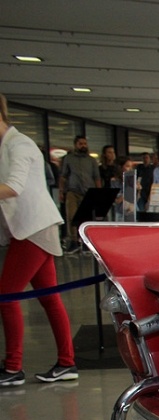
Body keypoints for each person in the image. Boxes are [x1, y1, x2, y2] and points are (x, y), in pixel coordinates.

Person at [0, 93, 78, 386]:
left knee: (6, 296)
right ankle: (67, 363)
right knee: (49, 298)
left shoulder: (19, 144)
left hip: (33, 229)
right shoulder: (6, 146)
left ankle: (13, 368)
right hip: (32, 228)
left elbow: (13, 187)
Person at [58, 135, 100, 249]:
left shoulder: (91, 160)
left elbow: (96, 177)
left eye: (85, 144)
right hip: (73, 191)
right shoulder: (69, 159)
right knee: (72, 216)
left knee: (86, 218)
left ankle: (86, 242)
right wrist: (61, 191)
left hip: (88, 192)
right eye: (80, 143)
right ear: (75, 145)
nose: (83, 146)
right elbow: (63, 176)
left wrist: (98, 193)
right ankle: (73, 241)